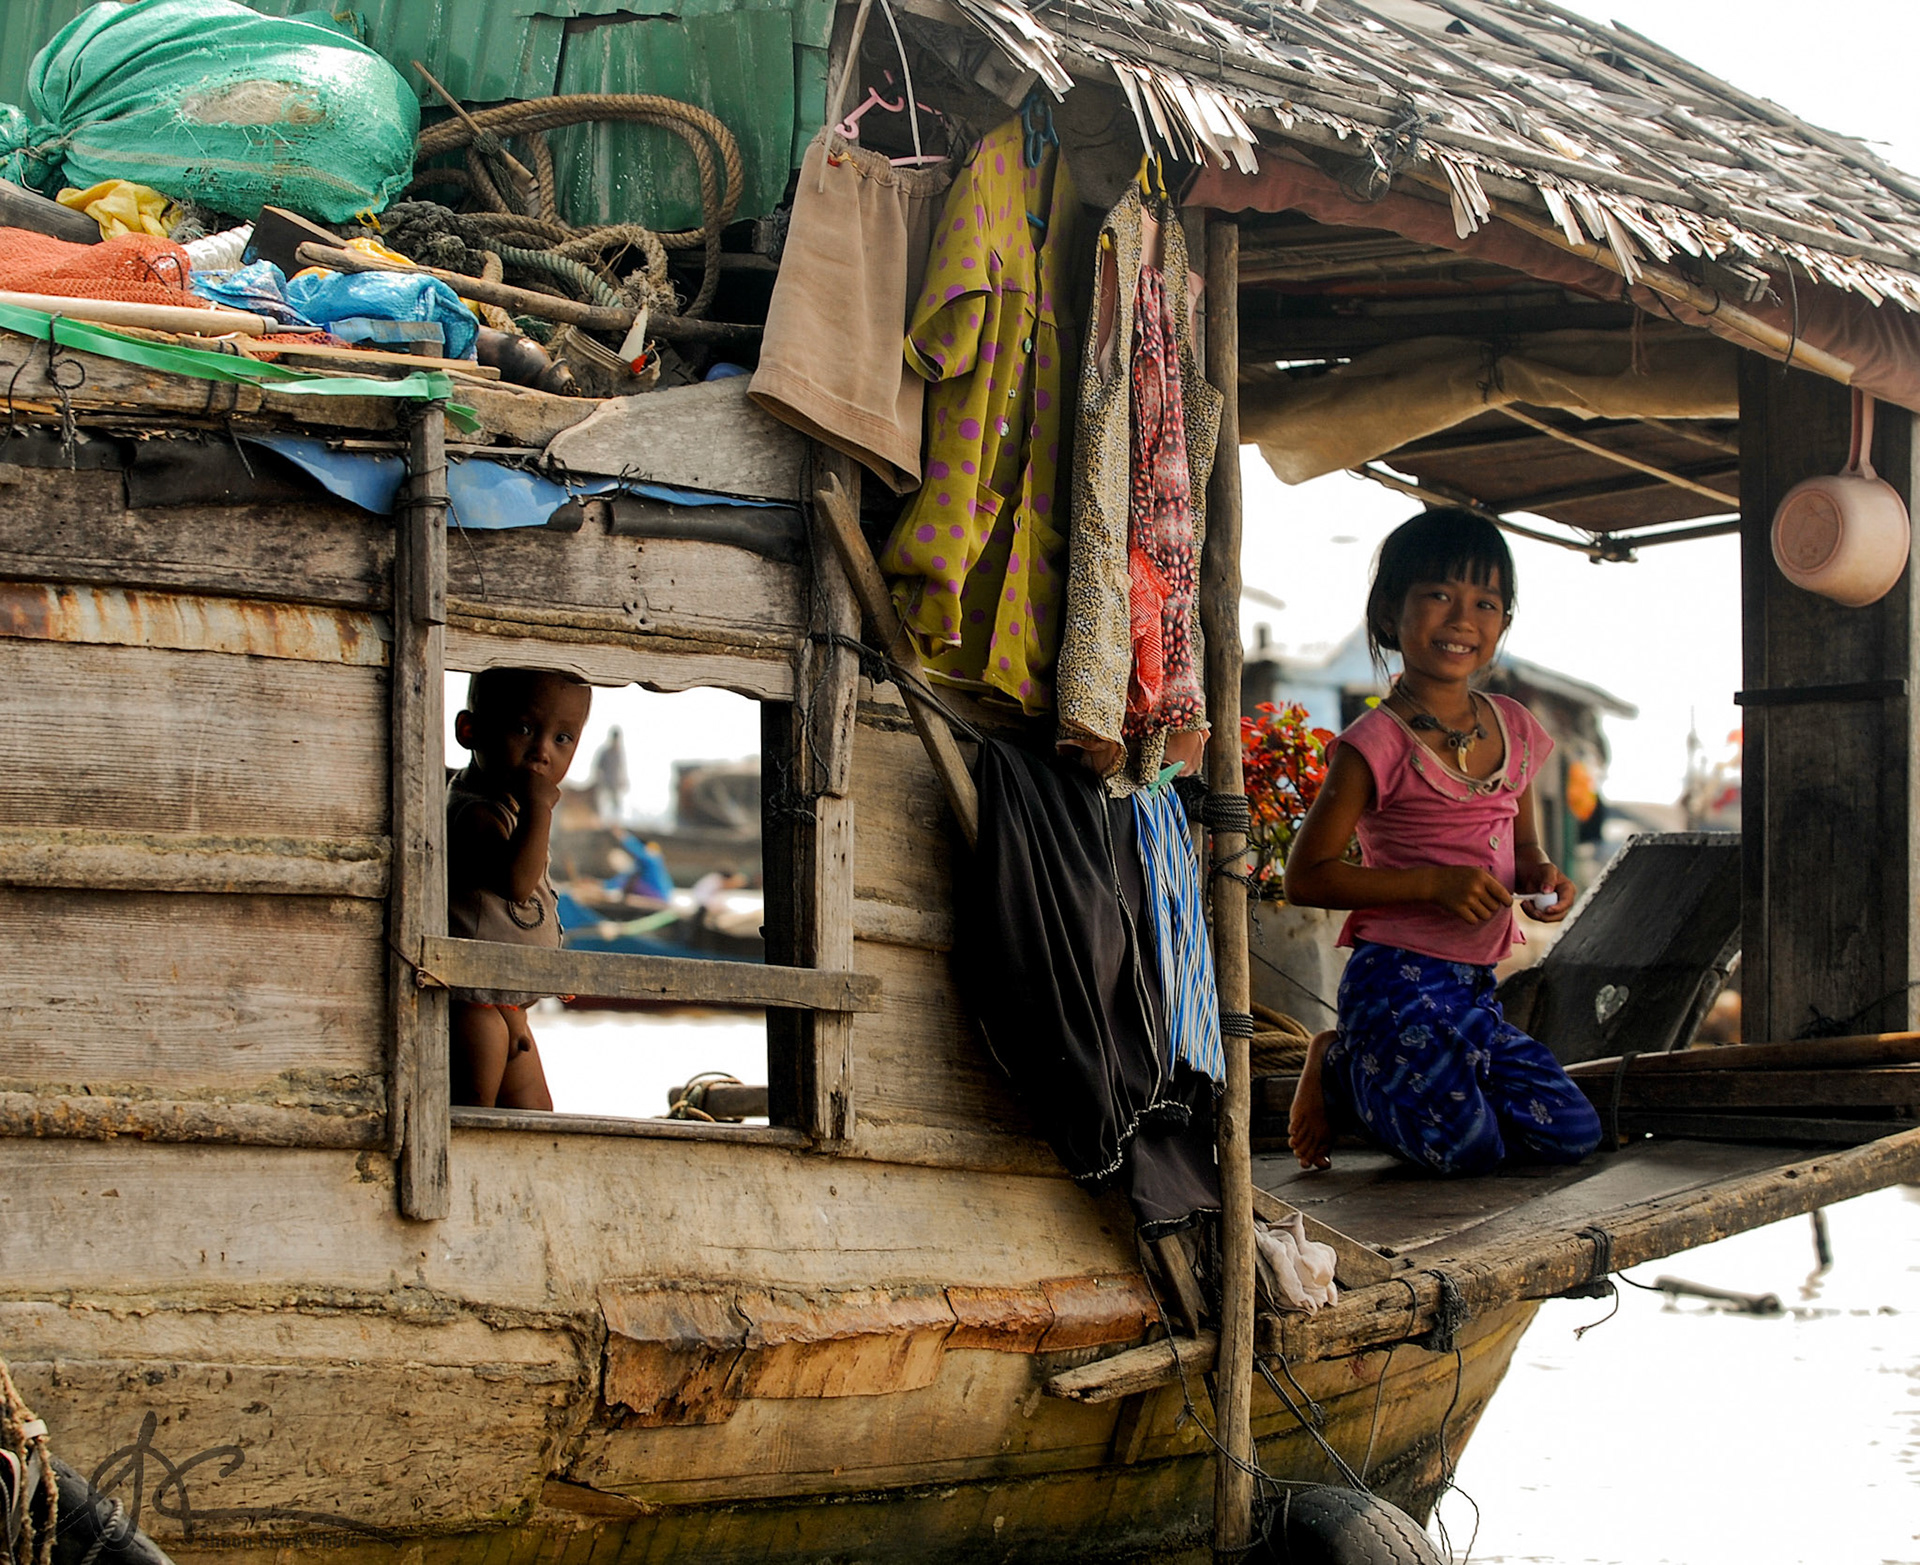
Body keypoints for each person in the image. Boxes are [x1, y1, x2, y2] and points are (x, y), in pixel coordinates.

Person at [1283, 509, 1602, 1176]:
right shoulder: (1374, 744)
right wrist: (1432, 882)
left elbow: (1525, 855)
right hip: (1395, 985)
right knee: (1464, 1150)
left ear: (1503, 625)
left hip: (1475, 993)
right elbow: (1305, 876)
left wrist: (1546, 880)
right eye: (1438, 595)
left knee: (1575, 1131)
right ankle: (1340, 1061)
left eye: (1485, 602)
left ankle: (1387, 1078)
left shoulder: (1514, 726)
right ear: (1389, 613)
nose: (1463, 618)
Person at [446, 667, 592, 1110]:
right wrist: (540, 808)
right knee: (473, 1122)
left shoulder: (511, 809)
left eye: (562, 739)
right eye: (524, 729)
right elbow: (515, 883)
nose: (541, 753)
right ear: (470, 731)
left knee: (539, 1129)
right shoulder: (473, 812)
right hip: (474, 1008)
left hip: (512, 1011)